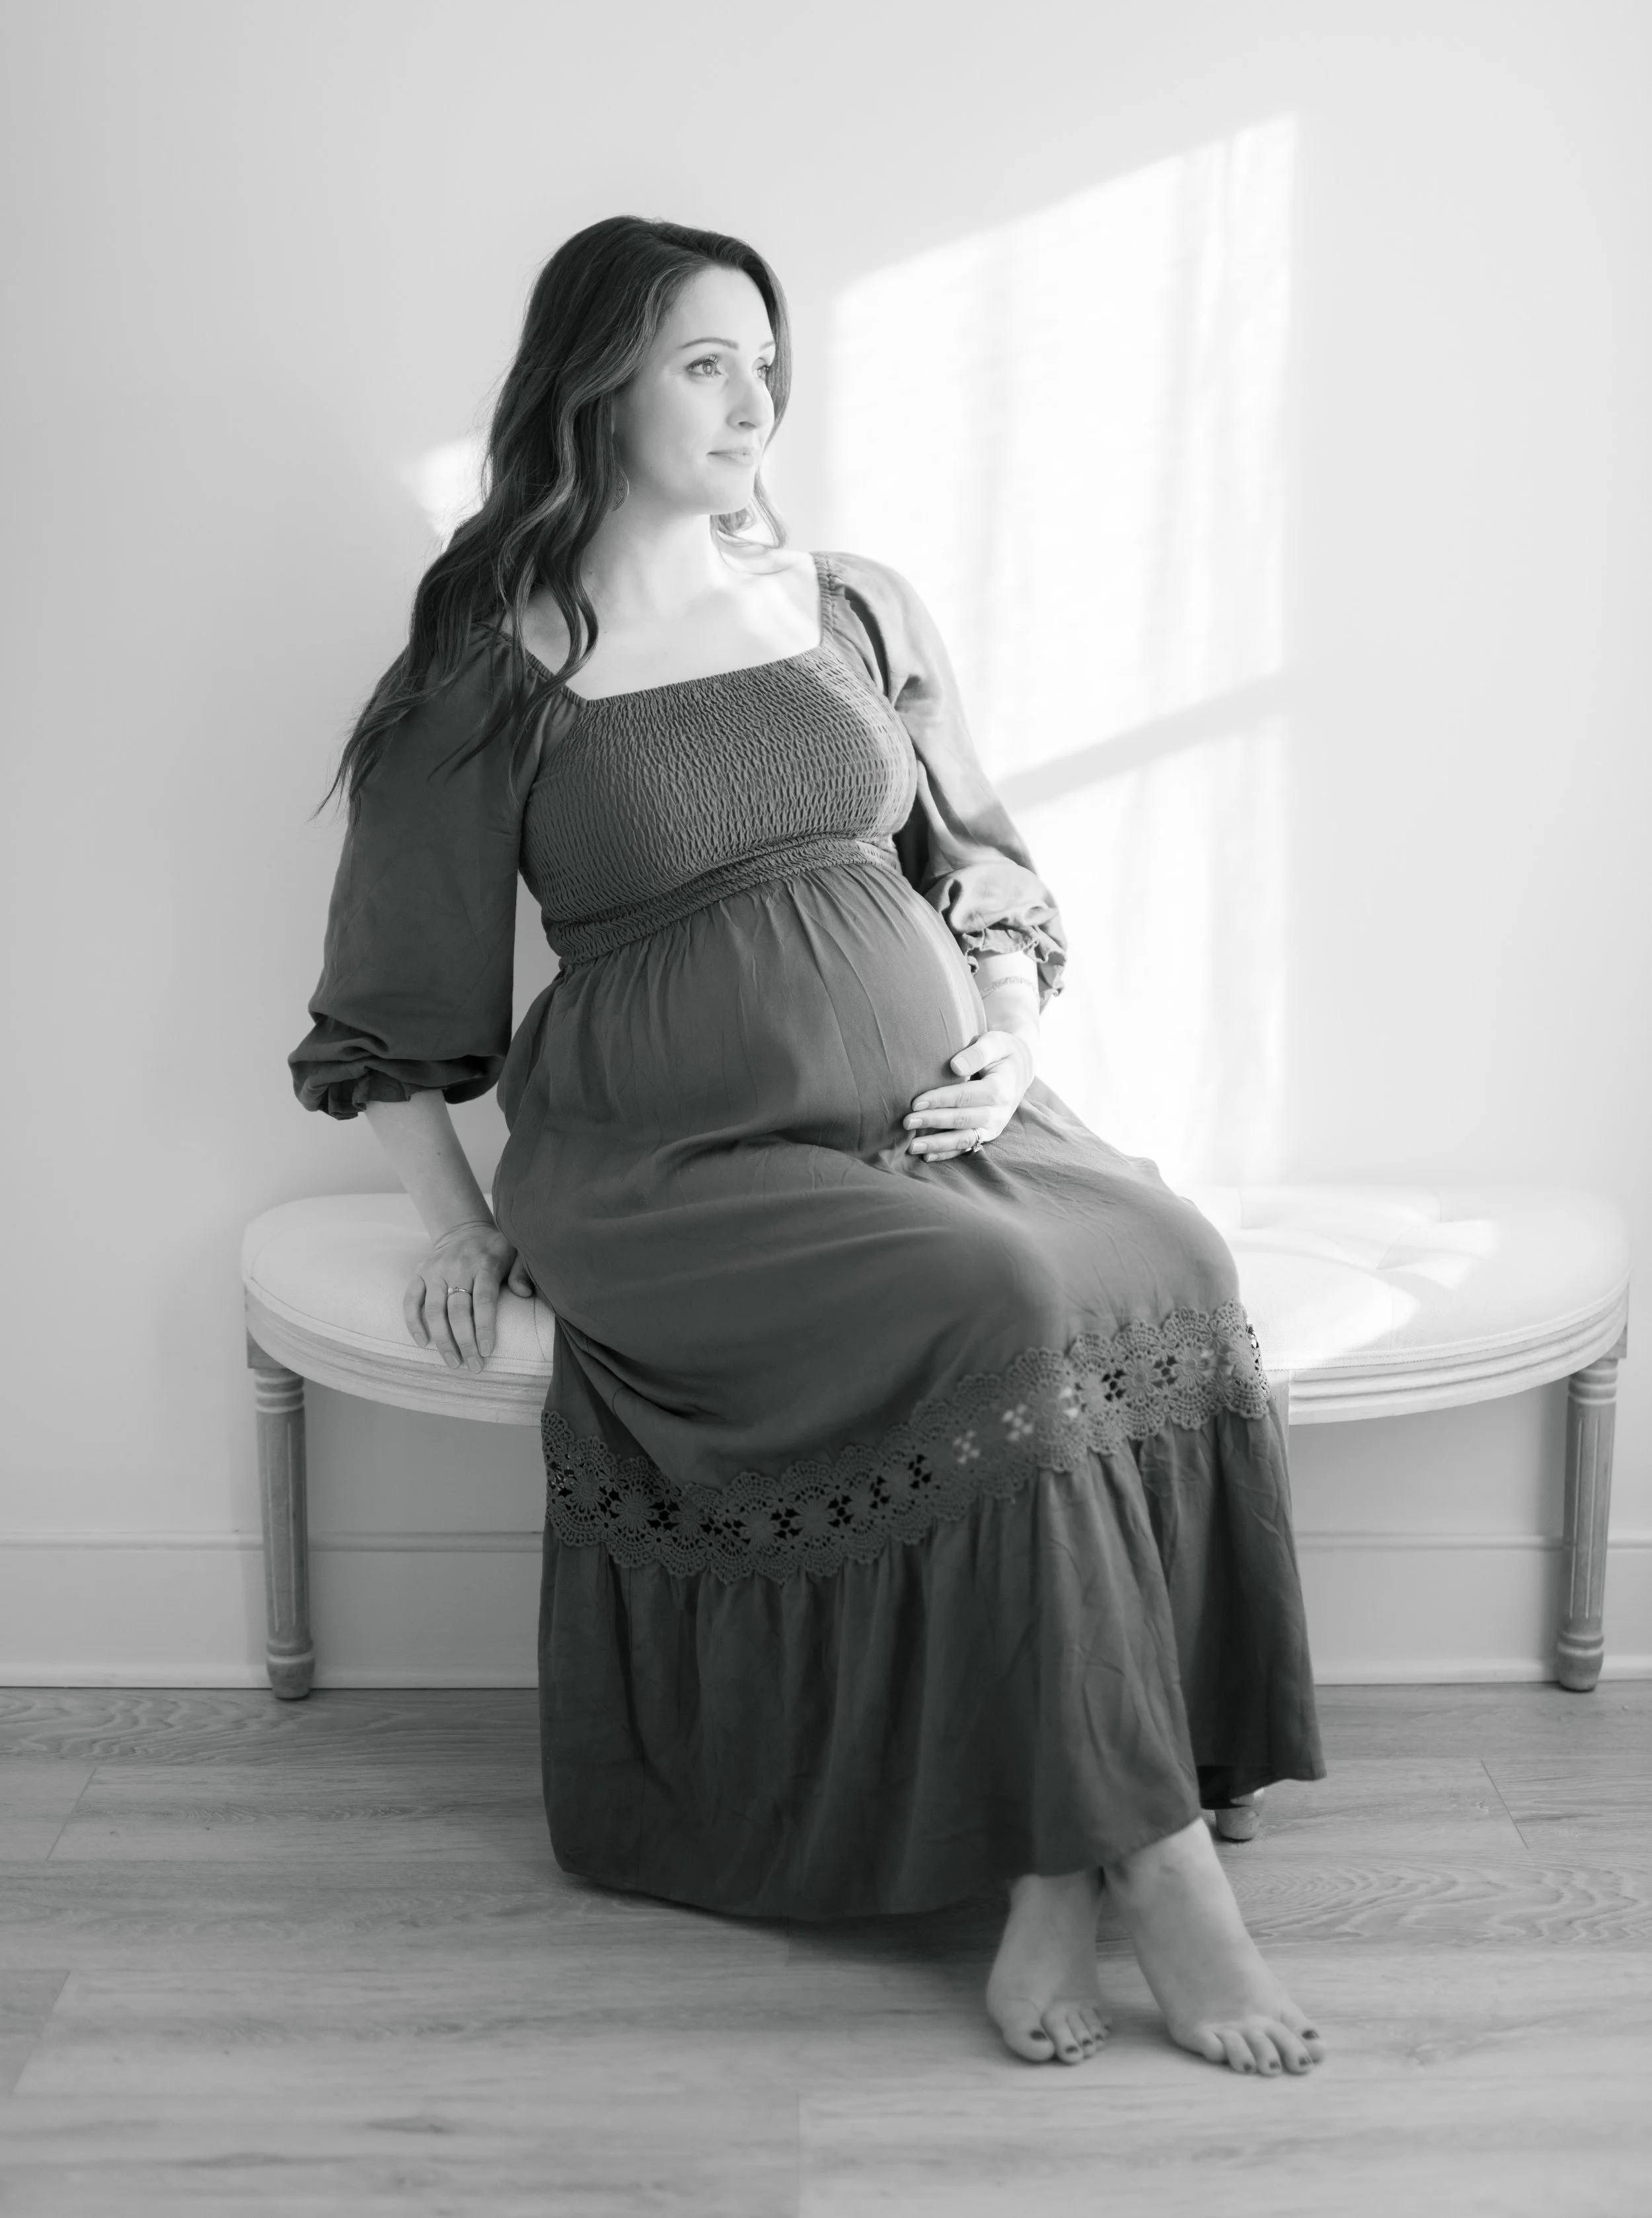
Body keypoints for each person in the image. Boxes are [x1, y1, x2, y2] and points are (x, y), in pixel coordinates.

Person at [290, 215, 1326, 2077]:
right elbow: (396, 986)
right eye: (704, 360)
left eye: (767, 360)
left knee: (1173, 1255)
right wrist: (452, 1221)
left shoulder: (848, 604)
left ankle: (1045, 1854)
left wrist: (1004, 1048)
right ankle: (1158, 1866)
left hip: (932, 1124)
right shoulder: (499, 647)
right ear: (596, 374)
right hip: (669, 1159)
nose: (753, 397)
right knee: (994, 1297)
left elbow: (979, 862)